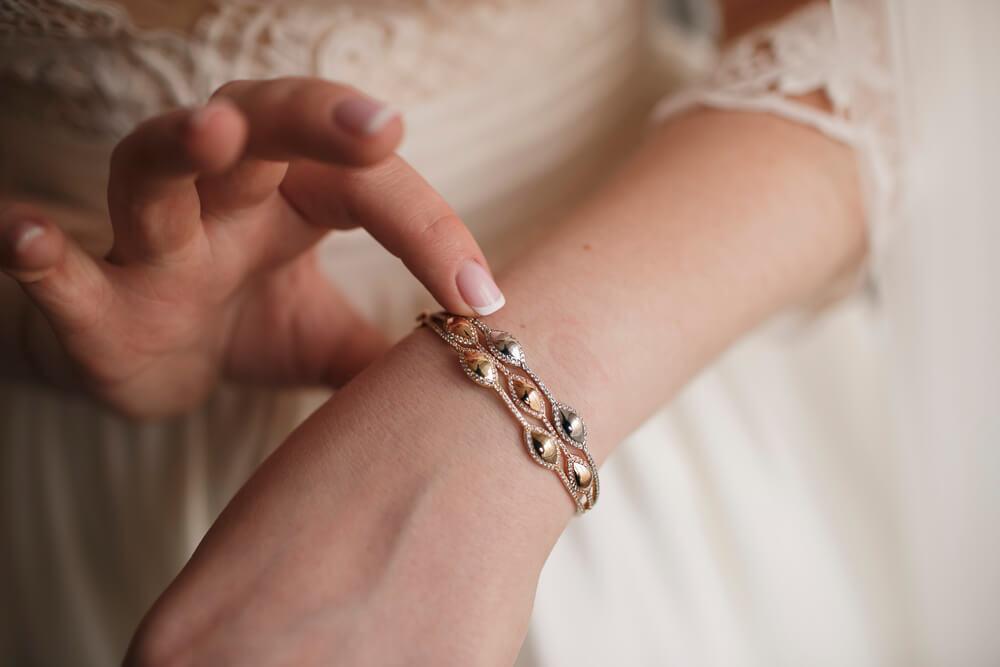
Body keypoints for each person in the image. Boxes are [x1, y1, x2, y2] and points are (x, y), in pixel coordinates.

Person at [2, 0, 998, 664]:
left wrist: (485, 440)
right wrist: (48, 305)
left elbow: (903, 41)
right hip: (60, 480)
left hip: (662, 362)